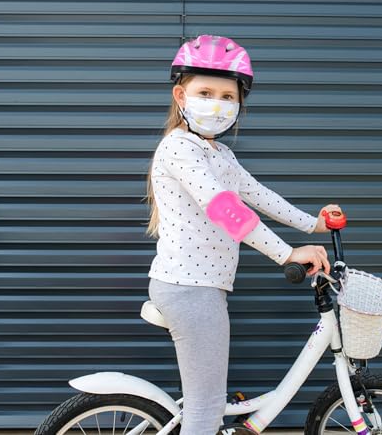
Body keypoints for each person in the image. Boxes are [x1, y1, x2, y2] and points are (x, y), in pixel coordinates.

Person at [144, 35, 341, 435]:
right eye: (205, 93)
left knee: (207, 401)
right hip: (188, 289)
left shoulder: (221, 154)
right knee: (205, 409)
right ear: (181, 96)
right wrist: (286, 254)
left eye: (227, 96)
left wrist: (313, 223)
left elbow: (259, 195)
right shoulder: (179, 148)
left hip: (203, 287)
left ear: (238, 105)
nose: (216, 104)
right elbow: (223, 208)